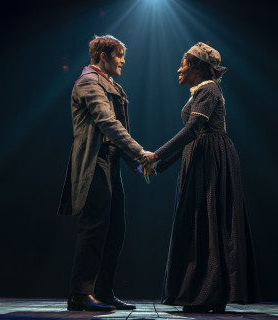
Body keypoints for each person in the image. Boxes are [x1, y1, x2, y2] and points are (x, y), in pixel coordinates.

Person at [142, 42, 260, 312]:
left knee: (208, 221)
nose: (178, 69)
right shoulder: (202, 91)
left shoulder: (209, 89)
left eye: (183, 64)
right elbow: (192, 135)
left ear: (197, 67)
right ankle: (203, 293)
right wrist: (158, 165)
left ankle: (208, 294)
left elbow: (194, 129)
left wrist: (156, 156)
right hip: (201, 157)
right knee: (201, 222)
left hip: (211, 160)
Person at [58, 35, 152, 312]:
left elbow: (119, 129)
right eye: (119, 55)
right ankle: (79, 294)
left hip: (109, 162)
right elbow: (108, 124)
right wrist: (140, 152)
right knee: (95, 227)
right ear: (103, 56)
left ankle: (103, 291)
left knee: (115, 230)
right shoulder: (88, 82)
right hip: (94, 161)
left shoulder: (112, 85)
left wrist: (135, 162)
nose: (123, 61)